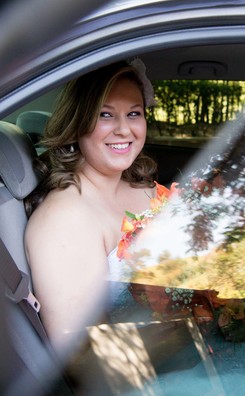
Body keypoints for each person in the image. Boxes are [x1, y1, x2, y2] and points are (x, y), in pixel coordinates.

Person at [24, 60, 161, 352]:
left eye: (133, 113)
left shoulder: (144, 187)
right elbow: (82, 351)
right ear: (77, 123)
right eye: (105, 115)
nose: (124, 129)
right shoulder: (64, 219)